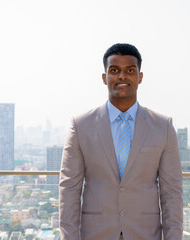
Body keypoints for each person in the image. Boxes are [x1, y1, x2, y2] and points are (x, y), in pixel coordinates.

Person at [59, 43, 183, 240]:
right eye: (114, 70)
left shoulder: (163, 126)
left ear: (140, 77)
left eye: (130, 70)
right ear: (104, 77)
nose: (122, 76)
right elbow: (69, 190)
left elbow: (172, 194)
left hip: (146, 234)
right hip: (95, 234)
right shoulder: (80, 125)